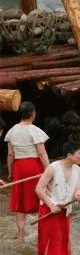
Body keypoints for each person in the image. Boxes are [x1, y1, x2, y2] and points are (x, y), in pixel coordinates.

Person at [34, 140, 80, 255]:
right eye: (79, 154)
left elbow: (77, 189)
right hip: (50, 211)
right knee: (51, 243)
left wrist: (79, 195)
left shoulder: (77, 170)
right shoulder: (53, 168)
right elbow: (39, 189)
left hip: (65, 211)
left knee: (62, 243)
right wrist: (51, 205)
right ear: (69, 155)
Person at [5, 101, 49, 241]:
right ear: (33, 114)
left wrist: (11, 171)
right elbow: (42, 153)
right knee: (41, 198)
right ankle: (41, 233)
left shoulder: (12, 130)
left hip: (18, 167)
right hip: (33, 166)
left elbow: (10, 155)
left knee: (20, 203)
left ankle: (21, 233)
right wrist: (49, 171)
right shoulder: (34, 130)